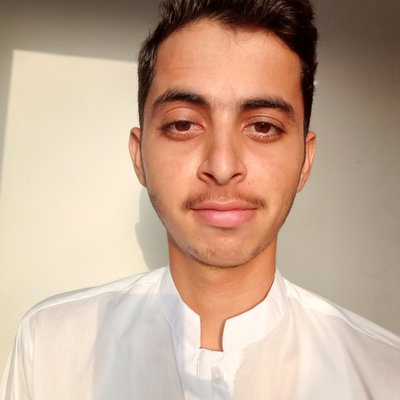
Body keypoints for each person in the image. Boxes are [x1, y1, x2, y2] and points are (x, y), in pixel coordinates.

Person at [1, 0, 399, 398]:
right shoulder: (50, 346)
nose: (223, 167)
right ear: (139, 157)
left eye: (263, 126)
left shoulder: (384, 374)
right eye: (183, 124)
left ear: (305, 160)